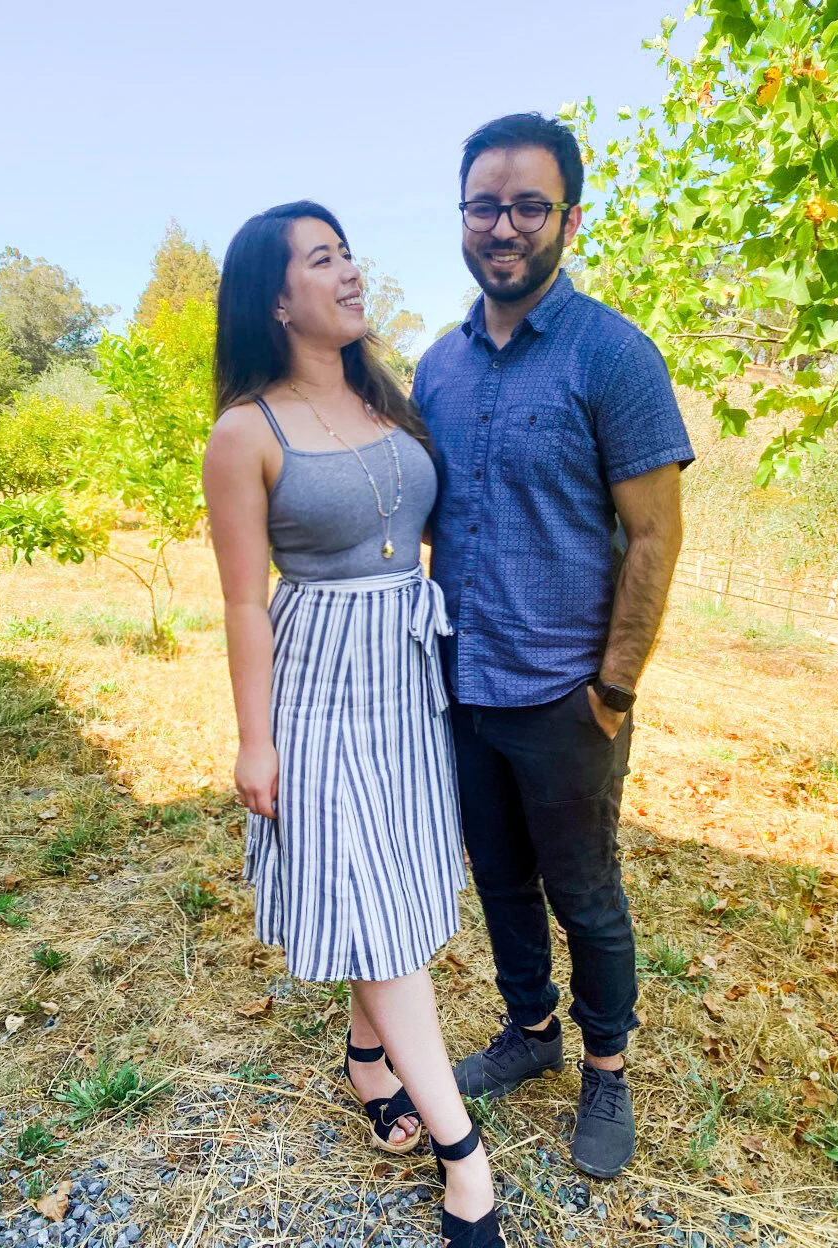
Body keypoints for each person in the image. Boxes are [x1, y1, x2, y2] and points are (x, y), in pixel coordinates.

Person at [203, 200, 505, 1246]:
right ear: (276, 300)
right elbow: (244, 602)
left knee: (403, 877)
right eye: (323, 259)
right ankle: (463, 1154)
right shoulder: (246, 431)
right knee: (371, 897)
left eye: (348, 254)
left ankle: (369, 1060)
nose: (350, 272)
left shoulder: (389, 397)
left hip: (407, 675)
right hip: (320, 679)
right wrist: (255, 739)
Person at [412, 113, 695, 1179]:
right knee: (498, 876)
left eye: (529, 205)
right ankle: (530, 1030)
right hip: (465, 684)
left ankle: (607, 1068)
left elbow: (656, 535)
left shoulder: (613, 356)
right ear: (462, 216)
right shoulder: (436, 368)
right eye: (485, 205)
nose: (505, 226)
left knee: (585, 892)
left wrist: (613, 688)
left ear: (569, 219)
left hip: (569, 695)